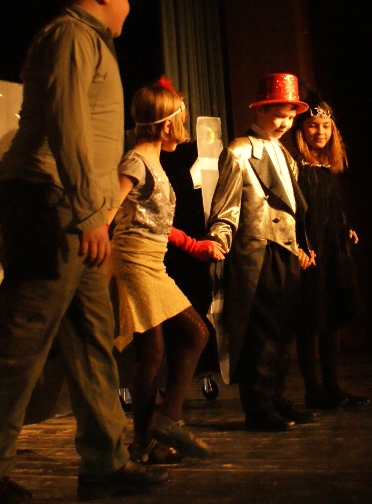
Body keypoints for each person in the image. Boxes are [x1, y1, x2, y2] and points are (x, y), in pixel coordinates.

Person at [0, 0, 167, 503]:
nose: (129, 5)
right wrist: (88, 213)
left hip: (74, 210)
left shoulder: (89, 41)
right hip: (53, 205)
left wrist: (92, 212)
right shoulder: (71, 35)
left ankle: (105, 463)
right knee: (24, 342)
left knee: (93, 340)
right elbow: (67, 126)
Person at [108, 78, 224, 464]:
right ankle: (165, 423)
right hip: (135, 261)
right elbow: (108, 211)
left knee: (153, 352)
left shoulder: (153, 161)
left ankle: (145, 444)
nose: (185, 128)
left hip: (151, 260)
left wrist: (193, 245)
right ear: (168, 124)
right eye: (182, 120)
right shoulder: (135, 162)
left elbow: (154, 221)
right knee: (193, 333)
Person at [206, 73, 317, 432]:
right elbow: (226, 206)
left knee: (284, 330)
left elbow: (294, 209)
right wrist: (219, 240)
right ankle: (258, 405)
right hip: (258, 250)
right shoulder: (240, 151)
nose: (285, 123)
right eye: (279, 115)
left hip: (285, 252)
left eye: (290, 116)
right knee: (262, 331)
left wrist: (301, 246)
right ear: (260, 110)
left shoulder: (284, 153)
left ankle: (276, 396)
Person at [289, 92, 368, 409]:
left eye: (325, 126)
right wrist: (298, 245)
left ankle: (332, 387)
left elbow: (329, 206)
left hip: (332, 248)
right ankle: (313, 390)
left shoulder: (326, 165)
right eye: (313, 125)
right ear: (301, 129)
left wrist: (343, 227)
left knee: (331, 318)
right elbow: (295, 211)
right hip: (310, 252)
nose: (320, 132)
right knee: (310, 321)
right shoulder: (295, 166)